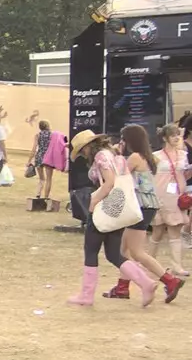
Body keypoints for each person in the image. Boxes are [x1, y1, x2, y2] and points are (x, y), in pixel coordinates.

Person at [67, 131, 143, 307]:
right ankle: (145, 283)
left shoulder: (101, 157)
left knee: (91, 250)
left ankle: (86, 295)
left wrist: (93, 202)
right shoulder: (113, 153)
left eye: (81, 151)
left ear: (87, 147)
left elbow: (109, 182)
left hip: (104, 208)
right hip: (117, 208)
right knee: (114, 253)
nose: (82, 155)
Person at [115, 123, 184, 303]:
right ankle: (122, 286)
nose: (121, 142)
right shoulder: (149, 157)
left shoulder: (135, 158)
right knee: (124, 249)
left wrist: (117, 155)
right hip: (147, 206)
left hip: (139, 207)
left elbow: (117, 178)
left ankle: (169, 280)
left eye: (123, 139)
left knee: (137, 252)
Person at [152, 123, 189, 277]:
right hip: (160, 195)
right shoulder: (156, 156)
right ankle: (149, 261)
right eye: (173, 135)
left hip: (177, 197)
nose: (176, 138)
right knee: (157, 231)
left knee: (175, 230)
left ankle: (177, 266)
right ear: (165, 138)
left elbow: (185, 174)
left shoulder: (183, 155)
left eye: (177, 135)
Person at [32, 120, 66, 203]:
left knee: (41, 179)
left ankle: (38, 194)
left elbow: (34, 148)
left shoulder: (37, 135)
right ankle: (46, 197)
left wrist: (30, 160)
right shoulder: (52, 135)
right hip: (48, 157)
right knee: (49, 179)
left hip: (39, 156)